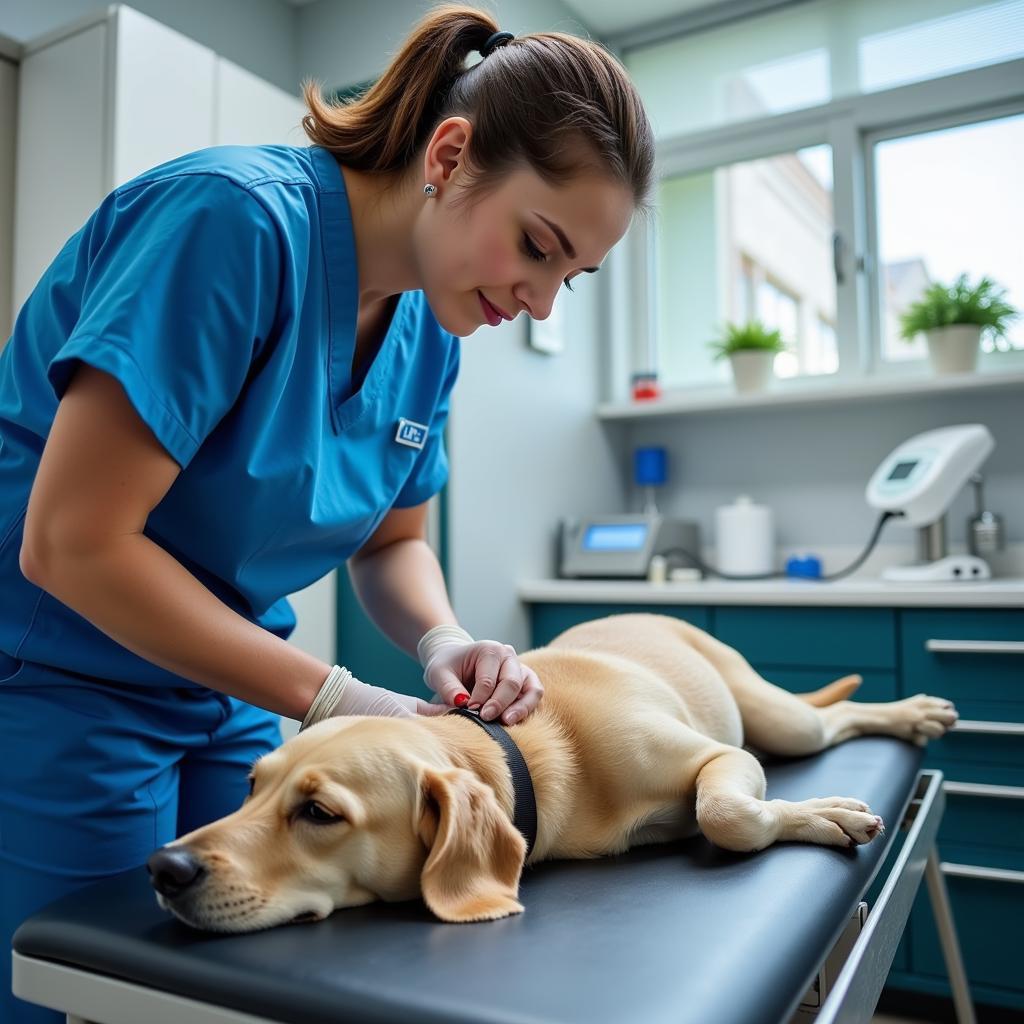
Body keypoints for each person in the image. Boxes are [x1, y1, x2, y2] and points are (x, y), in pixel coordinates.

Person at [0, 4, 653, 1020]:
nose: (539, 300)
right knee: (76, 997)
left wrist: (440, 639)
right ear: (449, 151)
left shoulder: (432, 328)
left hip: (231, 697)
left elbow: (393, 542)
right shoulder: (230, 223)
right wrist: (343, 699)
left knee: (228, 989)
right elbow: (73, 542)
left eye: (569, 274)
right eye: (536, 245)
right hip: (59, 687)